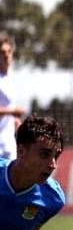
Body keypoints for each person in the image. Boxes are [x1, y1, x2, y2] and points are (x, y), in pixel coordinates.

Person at [0, 115, 66, 230]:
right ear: (21, 151)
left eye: (56, 156)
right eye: (45, 154)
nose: (52, 164)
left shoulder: (52, 199)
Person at [0, 32, 26, 160]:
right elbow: (9, 110)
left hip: (8, 147)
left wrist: (15, 122)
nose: (6, 55)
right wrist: (12, 112)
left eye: (9, 51)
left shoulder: (9, 80)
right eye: (2, 52)